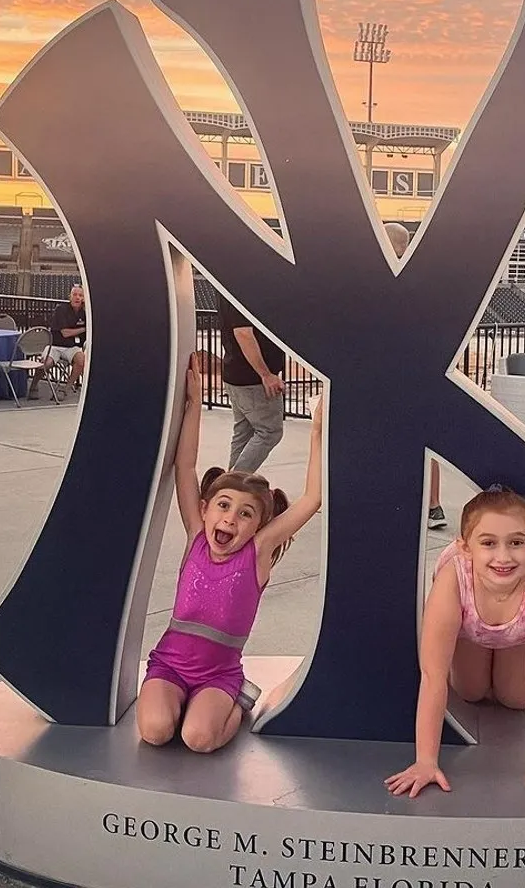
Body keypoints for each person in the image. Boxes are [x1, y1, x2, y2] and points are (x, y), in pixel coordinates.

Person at [136, 354, 323, 753]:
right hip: (169, 664)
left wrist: (318, 430)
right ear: (205, 508)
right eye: (222, 505)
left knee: (198, 739)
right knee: (154, 731)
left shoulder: (256, 553)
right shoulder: (195, 537)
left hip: (219, 674)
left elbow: (311, 500)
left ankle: (235, 702)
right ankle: (184, 703)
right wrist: (194, 404)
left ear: (259, 525)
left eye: (245, 514)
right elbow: (184, 467)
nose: (230, 519)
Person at [385, 486, 525, 801]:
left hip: (516, 636)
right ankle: (480, 664)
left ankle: (502, 661)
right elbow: (432, 673)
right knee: (470, 691)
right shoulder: (454, 577)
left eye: (516, 543)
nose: (503, 557)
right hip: (469, 631)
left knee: (515, 699)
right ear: (466, 548)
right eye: (488, 543)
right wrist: (426, 760)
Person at [385, 222, 447, 530]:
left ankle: (411, 502)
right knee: (425, 441)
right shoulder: (426, 282)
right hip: (422, 372)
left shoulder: (388, 280)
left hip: (397, 373)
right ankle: (432, 505)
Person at [216, 294, 286, 472]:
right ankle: (234, 486)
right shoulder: (240, 288)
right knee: (270, 432)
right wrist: (266, 374)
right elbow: (243, 333)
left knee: (243, 434)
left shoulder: (226, 285)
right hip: (253, 380)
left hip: (236, 375)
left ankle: (226, 488)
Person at [31, 284, 87, 399]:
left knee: (82, 361)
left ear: (84, 298)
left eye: (80, 295)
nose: (77, 297)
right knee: (46, 364)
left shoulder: (85, 313)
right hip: (55, 345)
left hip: (72, 347)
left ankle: (65, 389)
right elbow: (65, 333)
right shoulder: (61, 309)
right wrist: (85, 328)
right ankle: (33, 386)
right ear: (70, 297)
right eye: (75, 294)